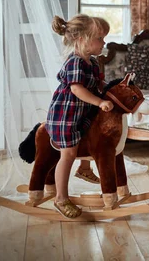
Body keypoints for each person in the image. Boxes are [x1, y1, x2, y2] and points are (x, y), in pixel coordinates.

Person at [46, 14, 113, 218]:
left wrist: (105, 90)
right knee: (68, 154)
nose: (104, 42)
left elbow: (95, 83)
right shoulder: (75, 62)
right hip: (65, 115)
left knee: (89, 139)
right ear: (82, 39)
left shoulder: (91, 62)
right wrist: (100, 102)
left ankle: (84, 168)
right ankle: (61, 198)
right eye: (100, 38)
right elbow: (77, 89)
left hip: (80, 113)